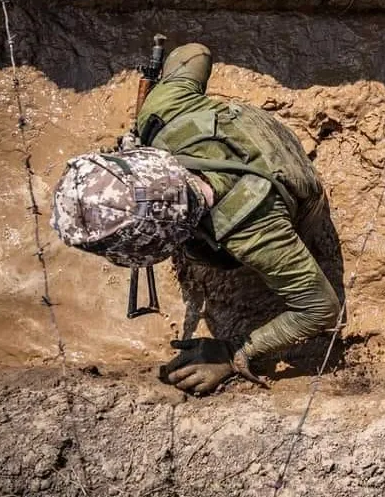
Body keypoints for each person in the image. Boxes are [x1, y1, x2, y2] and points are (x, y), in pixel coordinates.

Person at [51, 43, 340, 394]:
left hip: (295, 200)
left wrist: (235, 351)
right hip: (263, 137)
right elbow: (196, 52)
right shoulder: (164, 113)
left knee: (216, 258)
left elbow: (321, 308)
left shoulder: (255, 234)